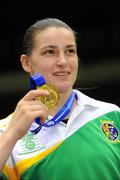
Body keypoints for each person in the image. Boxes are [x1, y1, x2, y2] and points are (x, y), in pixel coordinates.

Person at [0, 18, 120, 180]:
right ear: (26, 62)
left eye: (70, 51)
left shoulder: (111, 114)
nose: (62, 61)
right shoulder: (5, 131)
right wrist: (11, 135)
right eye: (49, 52)